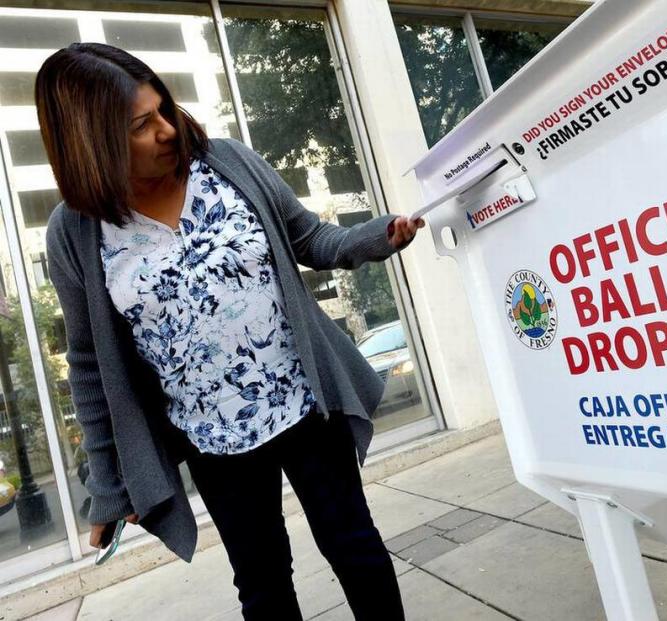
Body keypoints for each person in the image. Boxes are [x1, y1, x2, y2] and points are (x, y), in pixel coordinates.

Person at [36, 42, 423, 620]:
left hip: (303, 400)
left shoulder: (228, 163)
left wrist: (377, 236)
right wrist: (110, 486)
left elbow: (311, 239)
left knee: (355, 546)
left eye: (163, 109)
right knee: (262, 582)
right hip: (210, 436)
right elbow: (90, 365)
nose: (167, 130)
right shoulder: (75, 233)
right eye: (142, 125)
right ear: (90, 142)